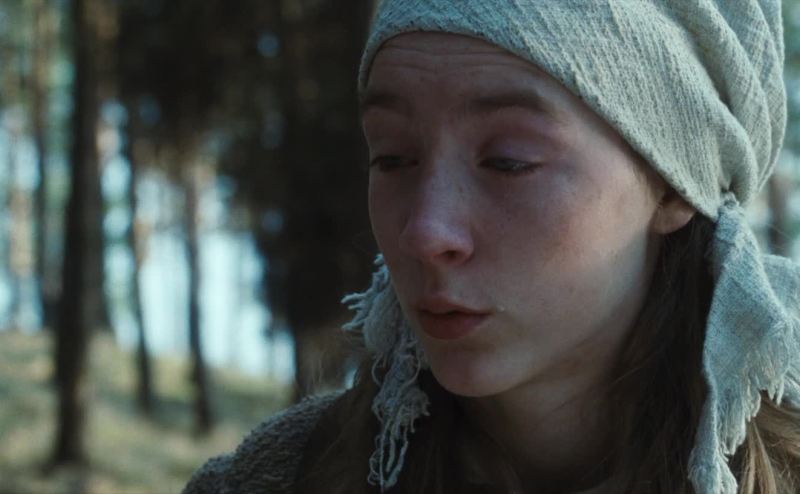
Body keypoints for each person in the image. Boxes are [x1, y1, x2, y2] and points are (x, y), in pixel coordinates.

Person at [183, 1, 800, 493]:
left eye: (509, 161)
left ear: (675, 186)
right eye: (392, 157)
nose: (425, 232)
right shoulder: (276, 479)